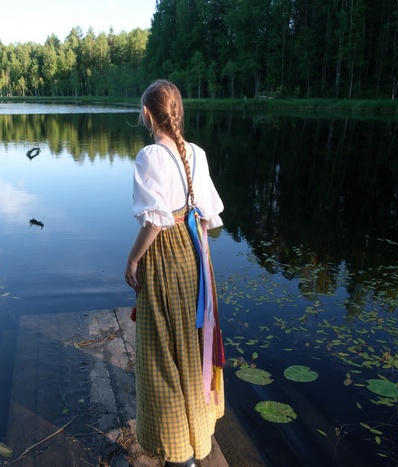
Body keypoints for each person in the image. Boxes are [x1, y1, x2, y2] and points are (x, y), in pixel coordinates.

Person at [124, 80, 225, 467]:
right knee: (194, 340)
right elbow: (208, 218)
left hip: (165, 256)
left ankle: (180, 454)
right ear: (177, 112)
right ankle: (196, 438)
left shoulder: (151, 156)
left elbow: (154, 224)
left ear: (148, 114)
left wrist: (133, 260)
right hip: (197, 256)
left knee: (162, 350)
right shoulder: (197, 153)